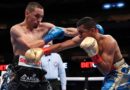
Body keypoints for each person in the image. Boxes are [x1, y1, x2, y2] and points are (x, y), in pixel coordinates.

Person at [26, 16, 130, 90]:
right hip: (112, 74)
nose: (79, 35)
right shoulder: (83, 38)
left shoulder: (108, 41)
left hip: (121, 72)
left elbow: (105, 70)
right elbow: (62, 46)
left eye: (81, 32)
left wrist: (93, 54)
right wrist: (42, 50)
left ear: (93, 30)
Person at [4, 1, 79, 90]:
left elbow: (68, 31)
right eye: (36, 16)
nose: (39, 20)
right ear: (27, 13)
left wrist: (87, 30)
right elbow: (30, 46)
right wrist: (50, 36)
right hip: (19, 69)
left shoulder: (45, 27)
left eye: (41, 17)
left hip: (37, 69)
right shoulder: (16, 29)